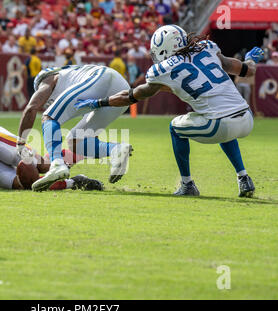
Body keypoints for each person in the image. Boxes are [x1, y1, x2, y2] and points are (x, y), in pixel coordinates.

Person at [75, 25, 264, 198]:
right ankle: (244, 178)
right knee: (222, 113)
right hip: (246, 118)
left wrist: (100, 103)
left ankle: (187, 184)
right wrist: (250, 59)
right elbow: (247, 70)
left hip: (219, 125)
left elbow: (132, 96)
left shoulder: (162, 69)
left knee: (175, 127)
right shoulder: (207, 48)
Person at [16, 64, 132, 192]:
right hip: (121, 89)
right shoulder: (72, 79)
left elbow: (31, 108)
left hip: (100, 77)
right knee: (75, 141)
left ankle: (57, 164)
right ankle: (116, 149)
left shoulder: (47, 79)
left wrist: (21, 143)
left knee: (49, 116)